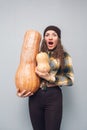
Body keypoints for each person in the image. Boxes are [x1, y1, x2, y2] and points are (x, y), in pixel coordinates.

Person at [17, 25, 74, 130]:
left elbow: (70, 80)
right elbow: (25, 74)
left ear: (58, 39)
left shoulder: (65, 56)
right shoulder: (35, 54)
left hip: (53, 97)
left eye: (54, 35)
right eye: (47, 35)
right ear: (44, 39)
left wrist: (50, 78)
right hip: (35, 97)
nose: (50, 37)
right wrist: (21, 90)